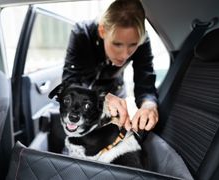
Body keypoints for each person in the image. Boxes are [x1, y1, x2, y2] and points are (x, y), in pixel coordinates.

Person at [62, 0, 158, 132]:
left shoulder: (142, 41)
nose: (125, 55)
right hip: (81, 98)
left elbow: (145, 83)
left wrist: (149, 106)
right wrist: (100, 98)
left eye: (132, 45)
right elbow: (70, 81)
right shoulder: (81, 34)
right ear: (102, 31)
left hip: (116, 93)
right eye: (117, 44)